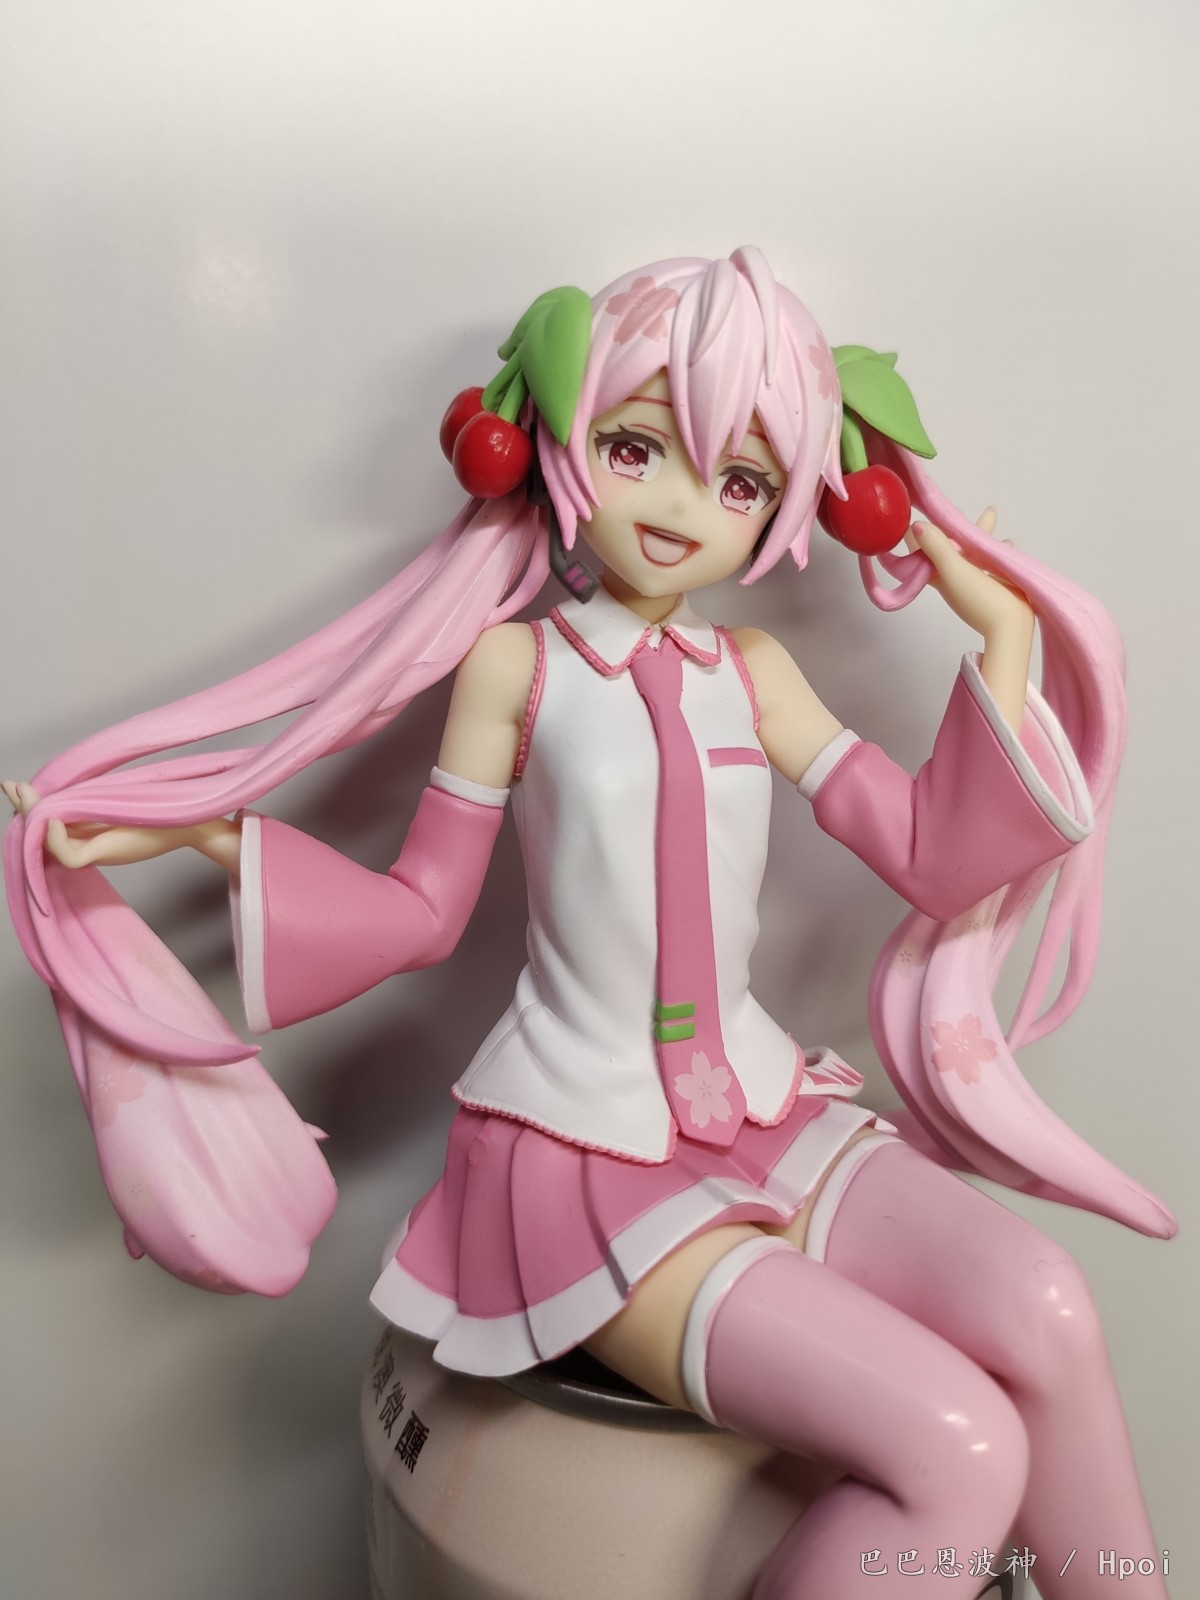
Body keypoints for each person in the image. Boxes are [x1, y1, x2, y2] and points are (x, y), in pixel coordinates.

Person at [5, 248, 1174, 1595]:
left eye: (739, 482)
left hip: (763, 1109)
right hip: (582, 1151)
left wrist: (1006, 644)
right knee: (960, 1446)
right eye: (636, 449)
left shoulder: (757, 671)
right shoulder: (520, 664)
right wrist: (202, 830)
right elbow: (420, 908)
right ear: (559, 444)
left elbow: (929, 854)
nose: (680, 506)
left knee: (1051, 1309)